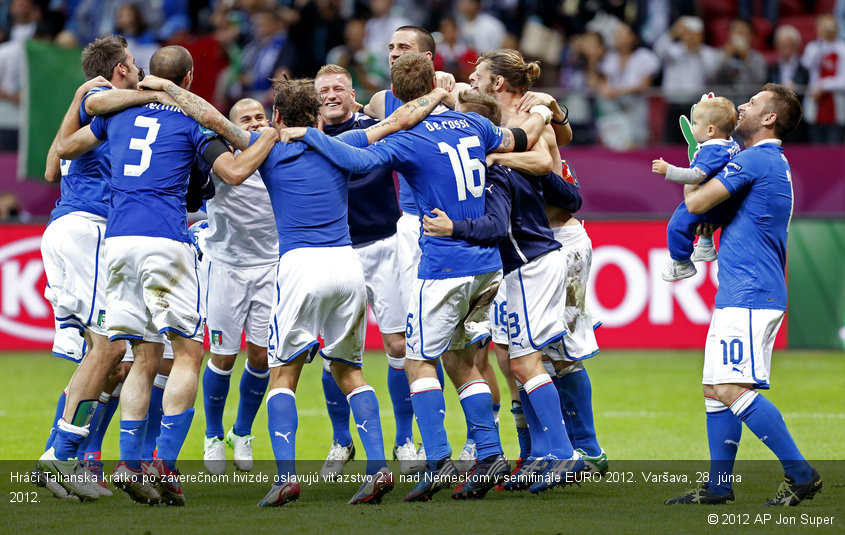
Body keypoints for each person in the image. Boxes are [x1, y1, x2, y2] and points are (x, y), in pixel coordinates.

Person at [143, 61, 450, 506]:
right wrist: (438, 96)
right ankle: (379, 466)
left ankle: (286, 476)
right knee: (350, 370)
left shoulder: (265, 146)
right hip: (348, 266)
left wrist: (170, 88)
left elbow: (208, 116)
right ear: (317, 115)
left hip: (299, 266)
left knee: (282, 374)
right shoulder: (340, 142)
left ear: (278, 117)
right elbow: (401, 118)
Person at [286, 51, 551, 502]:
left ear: (393, 96)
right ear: (433, 82)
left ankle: (439, 460)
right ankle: (489, 452)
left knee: (417, 361)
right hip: (487, 263)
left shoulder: (408, 139)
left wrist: (310, 136)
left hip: (444, 263)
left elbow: (354, 160)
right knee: (463, 357)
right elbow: (519, 137)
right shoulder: (473, 124)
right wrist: (544, 110)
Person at [55, 45, 279, 506]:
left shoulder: (114, 115)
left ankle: (127, 462)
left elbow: (66, 149)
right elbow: (235, 172)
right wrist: (267, 140)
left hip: (116, 243)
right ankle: (162, 464)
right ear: (190, 78)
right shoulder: (190, 120)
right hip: (164, 240)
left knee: (141, 352)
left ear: (146, 76)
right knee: (188, 352)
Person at [423, 90, 587, 496]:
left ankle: (565, 452)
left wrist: (453, 229)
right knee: (521, 363)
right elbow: (572, 197)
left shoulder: (491, 171)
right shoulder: (515, 163)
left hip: (528, 266)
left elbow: (495, 228)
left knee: (525, 365)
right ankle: (543, 455)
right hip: (538, 260)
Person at [666, 84, 822, 506]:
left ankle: (800, 474)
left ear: (769, 118)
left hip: (751, 293)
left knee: (732, 388)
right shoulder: (762, 159)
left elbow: (697, 203)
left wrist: (698, 157)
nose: (742, 106)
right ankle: (719, 486)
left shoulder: (756, 158)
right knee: (714, 388)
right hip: (742, 289)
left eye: (751, 103)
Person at [36, 34, 169, 502]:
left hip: (74, 232)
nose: (137, 70)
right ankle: (58, 457)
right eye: (132, 64)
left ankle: (67, 458)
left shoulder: (87, 105)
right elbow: (101, 104)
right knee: (110, 349)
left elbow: (52, 168)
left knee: (112, 358)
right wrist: (163, 91)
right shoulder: (102, 100)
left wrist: (76, 102)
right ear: (119, 70)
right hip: (87, 231)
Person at [471, 48, 608, 477]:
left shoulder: (532, 117)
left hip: (558, 241)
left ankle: (586, 450)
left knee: (556, 350)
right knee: (511, 348)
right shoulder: (511, 116)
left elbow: (546, 163)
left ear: (497, 83)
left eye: (478, 76)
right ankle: (535, 449)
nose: (471, 81)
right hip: (524, 246)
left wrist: (494, 156)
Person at [312, 64, 425, 478]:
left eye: (338, 88)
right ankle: (342, 441)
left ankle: (405, 440)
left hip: (386, 245)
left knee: (398, 346)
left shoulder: (377, 127)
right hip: (338, 252)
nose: (330, 95)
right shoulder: (310, 137)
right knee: (337, 353)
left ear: (352, 93)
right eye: (323, 89)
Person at [200, 98, 277, 476]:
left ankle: (241, 433)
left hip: (271, 267)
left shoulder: (281, 154)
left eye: (260, 116)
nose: (255, 122)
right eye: (245, 119)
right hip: (226, 267)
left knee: (262, 357)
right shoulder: (220, 156)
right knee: (223, 356)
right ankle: (212, 435)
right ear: (231, 127)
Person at [651, 96, 740, 282]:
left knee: (676, 226)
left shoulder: (712, 150)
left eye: (696, 123)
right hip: (724, 202)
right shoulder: (731, 144)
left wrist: (669, 170)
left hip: (709, 202)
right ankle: (706, 246)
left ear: (710, 130)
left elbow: (696, 175)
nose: (692, 128)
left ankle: (682, 264)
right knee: (703, 227)